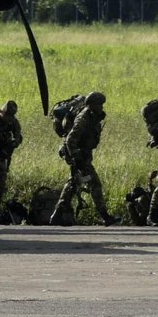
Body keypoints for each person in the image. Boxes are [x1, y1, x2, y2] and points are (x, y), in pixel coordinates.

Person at [51, 92, 120, 227]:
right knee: (94, 184)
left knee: (73, 184)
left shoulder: (93, 116)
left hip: (83, 155)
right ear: (92, 104)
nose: (101, 107)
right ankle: (105, 216)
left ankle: (57, 215)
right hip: (77, 155)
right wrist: (77, 158)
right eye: (99, 104)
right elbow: (71, 139)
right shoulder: (83, 118)